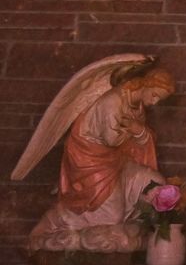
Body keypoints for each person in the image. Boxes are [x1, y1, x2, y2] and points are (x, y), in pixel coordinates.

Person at [14, 57, 175, 253]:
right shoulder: (112, 102)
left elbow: (140, 138)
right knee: (111, 218)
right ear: (147, 85)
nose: (154, 102)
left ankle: (135, 226)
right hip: (92, 161)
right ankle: (60, 221)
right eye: (155, 95)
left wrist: (138, 130)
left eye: (159, 99)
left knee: (154, 182)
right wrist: (134, 130)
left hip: (119, 161)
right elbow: (111, 140)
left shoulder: (137, 105)